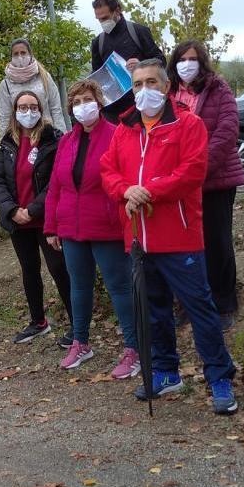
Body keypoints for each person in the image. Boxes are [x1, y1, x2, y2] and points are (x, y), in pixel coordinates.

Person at [100, 60, 239, 414]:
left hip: (178, 237)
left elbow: (192, 171)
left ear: (165, 87)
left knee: (200, 309)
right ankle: (165, 371)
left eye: (150, 82)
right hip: (138, 238)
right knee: (154, 311)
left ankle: (219, 377)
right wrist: (126, 190)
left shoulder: (188, 124)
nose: (143, 90)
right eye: (136, 84)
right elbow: (108, 170)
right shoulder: (124, 128)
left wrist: (150, 190)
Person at [44, 80, 141, 377]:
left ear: (99, 103)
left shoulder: (115, 135)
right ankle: (80, 342)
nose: (81, 107)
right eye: (75, 103)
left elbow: (125, 179)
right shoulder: (66, 142)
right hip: (72, 228)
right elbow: (55, 187)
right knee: (79, 287)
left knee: (120, 287)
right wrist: (51, 226)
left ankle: (134, 349)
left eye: (87, 100)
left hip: (105, 226)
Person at [166, 40, 244, 328]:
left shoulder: (218, 89)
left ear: (202, 61)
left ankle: (224, 303)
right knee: (185, 246)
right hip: (179, 186)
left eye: (193, 58)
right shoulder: (168, 93)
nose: (187, 64)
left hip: (214, 181)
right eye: (181, 59)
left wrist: (196, 170)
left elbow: (227, 131)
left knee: (216, 242)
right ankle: (191, 303)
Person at [0, 90, 73, 345]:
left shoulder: (53, 139)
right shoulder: (7, 142)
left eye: (33, 106)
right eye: (22, 107)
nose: (28, 112)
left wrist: (33, 210)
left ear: (41, 109)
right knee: (29, 269)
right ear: (15, 111)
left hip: (46, 218)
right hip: (18, 219)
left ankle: (77, 324)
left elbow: (57, 180)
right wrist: (12, 210)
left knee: (59, 269)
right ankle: (38, 321)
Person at [90, 0, 166, 120]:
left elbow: (161, 61)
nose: (103, 23)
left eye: (105, 18)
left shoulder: (138, 31)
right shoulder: (98, 42)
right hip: (113, 113)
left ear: (117, 10)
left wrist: (142, 64)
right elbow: (96, 76)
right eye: (99, 20)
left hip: (141, 106)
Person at [0, 38, 68, 136]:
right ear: (11, 57)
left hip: (47, 136)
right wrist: (4, 144)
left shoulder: (44, 77)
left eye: (23, 53)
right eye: (16, 54)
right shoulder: (5, 85)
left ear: (30, 54)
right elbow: (4, 118)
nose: (20, 57)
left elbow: (56, 109)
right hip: (21, 138)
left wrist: (62, 137)